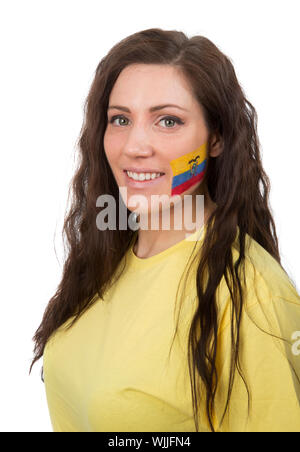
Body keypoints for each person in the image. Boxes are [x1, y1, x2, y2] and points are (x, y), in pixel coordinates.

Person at [29, 28, 300, 432]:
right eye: (120, 119)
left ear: (217, 138)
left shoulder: (250, 292)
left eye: (168, 121)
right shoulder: (104, 259)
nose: (134, 146)